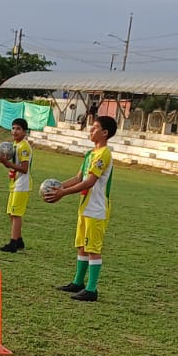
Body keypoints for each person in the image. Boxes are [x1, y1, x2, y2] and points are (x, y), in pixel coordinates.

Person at [44, 113, 116, 302]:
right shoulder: (90, 154)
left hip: (96, 209)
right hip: (85, 207)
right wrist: (58, 187)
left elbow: (89, 182)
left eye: (95, 127)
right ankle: (78, 282)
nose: (91, 130)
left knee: (93, 248)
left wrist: (63, 193)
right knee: (82, 246)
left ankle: (91, 289)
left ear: (105, 133)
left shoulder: (104, 154)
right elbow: (78, 178)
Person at [0, 117, 32, 252]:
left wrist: (7, 163)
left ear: (25, 132)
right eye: (13, 128)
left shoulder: (24, 146)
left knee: (16, 214)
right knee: (11, 213)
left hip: (22, 184)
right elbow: (14, 165)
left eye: (18, 129)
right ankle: (19, 240)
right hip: (15, 183)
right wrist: (6, 164)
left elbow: (24, 168)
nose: (15, 131)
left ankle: (13, 243)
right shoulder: (14, 145)